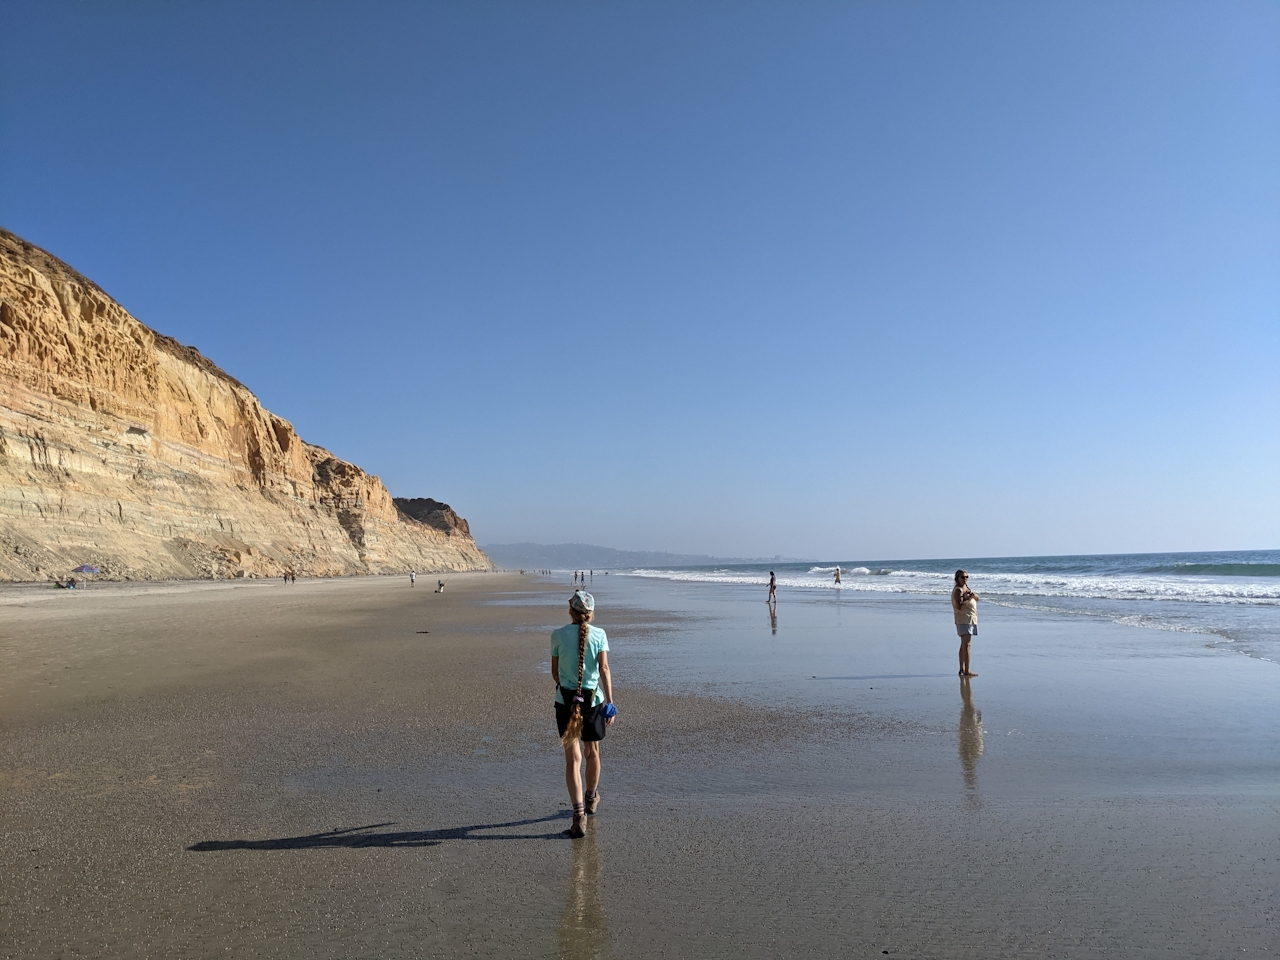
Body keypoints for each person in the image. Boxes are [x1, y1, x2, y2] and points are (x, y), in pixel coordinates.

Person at [551, 590, 615, 839]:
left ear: (571, 611)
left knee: (573, 759)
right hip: (593, 701)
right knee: (592, 752)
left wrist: (568, 686)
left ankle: (579, 816)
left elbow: (554, 673)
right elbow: (605, 669)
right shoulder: (599, 634)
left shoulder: (557, 634)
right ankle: (591, 798)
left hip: (565, 701)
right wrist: (610, 702)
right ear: (590, 613)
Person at [951, 569, 980, 677]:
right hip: (963, 619)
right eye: (963, 577)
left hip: (970, 619)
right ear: (957, 578)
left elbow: (977, 598)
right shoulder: (958, 590)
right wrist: (968, 599)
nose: (965, 579)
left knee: (964, 645)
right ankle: (966, 670)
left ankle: (962, 669)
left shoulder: (966, 588)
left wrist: (973, 595)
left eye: (967, 577)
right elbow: (959, 605)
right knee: (967, 645)